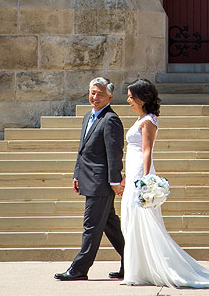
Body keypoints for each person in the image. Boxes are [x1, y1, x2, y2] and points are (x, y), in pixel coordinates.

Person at [121, 78, 209, 288]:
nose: (128, 100)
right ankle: (140, 269)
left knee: (141, 219)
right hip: (132, 171)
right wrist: (126, 176)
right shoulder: (141, 119)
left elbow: (147, 150)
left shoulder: (148, 121)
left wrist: (146, 179)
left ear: (141, 97)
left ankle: (150, 270)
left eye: (130, 96)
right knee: (130, 220)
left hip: (140, 170)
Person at [55, 77, 126, 281]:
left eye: (100, 94)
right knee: (110, 225)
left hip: (101, 183)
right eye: (93, 92)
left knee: (92, 225)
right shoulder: (89, 116)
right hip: (88, 178)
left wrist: (114, 181)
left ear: (110, 97)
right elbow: (82, 150)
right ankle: (133, 261)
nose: (95, 97)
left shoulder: (110, 120)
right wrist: (77, 174)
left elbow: (114, 153)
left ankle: (79, 268)